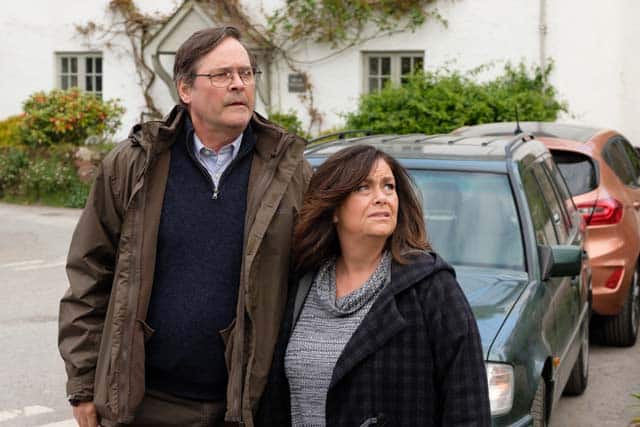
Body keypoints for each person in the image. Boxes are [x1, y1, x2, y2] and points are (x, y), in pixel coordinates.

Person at [58, 25, 311, 427]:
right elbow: (90, 275)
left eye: (246, 73)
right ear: (185, 89)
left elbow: (317, 278)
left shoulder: (290, 172)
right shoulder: (133, 165)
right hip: (147, 404)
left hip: (248, 405)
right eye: (222, 74)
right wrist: (84, 384)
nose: (239, 84)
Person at [257, 145, 491, 426]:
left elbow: (468, 406)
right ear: (333, 209)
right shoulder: (304, 283)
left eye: (388, 186)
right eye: (363, 188)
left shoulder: (431, 286)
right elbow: (275, 401)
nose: (382, 197)